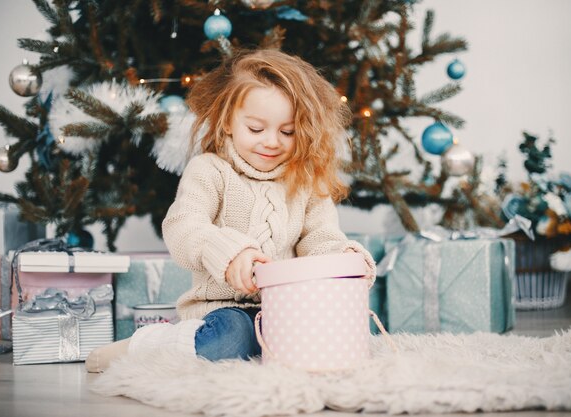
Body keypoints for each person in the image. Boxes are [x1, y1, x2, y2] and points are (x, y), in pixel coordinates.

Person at [85, 49, 376, 373]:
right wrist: (228, 252)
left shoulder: (304, 182)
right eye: (255, 129)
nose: (271, 142)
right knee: (230, 341)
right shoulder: (210, 170)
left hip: (287, 310)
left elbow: (320, 237)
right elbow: (184, 226)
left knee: (323, 346)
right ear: (227, 122)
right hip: (222, 309)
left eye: (287, 131)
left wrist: (344, 258)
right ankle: (151, 343)